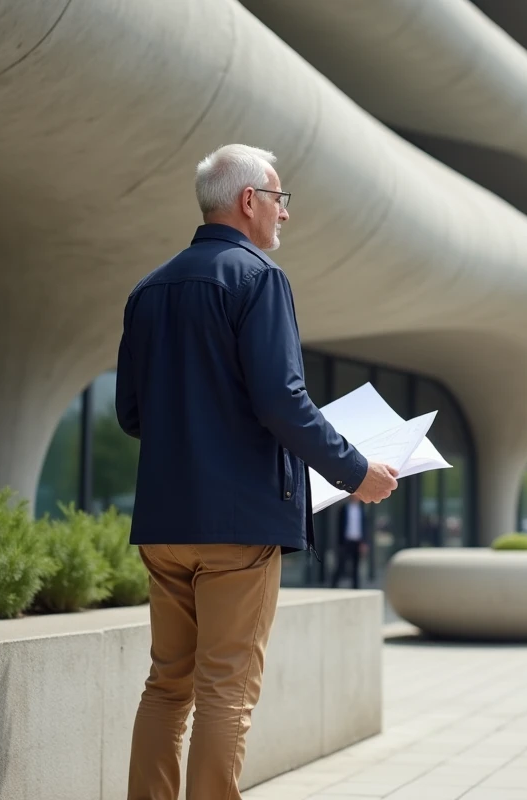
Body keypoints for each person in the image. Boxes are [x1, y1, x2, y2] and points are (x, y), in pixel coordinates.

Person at [116, 143, 400, 800]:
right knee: (225, 692)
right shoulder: (258, 279)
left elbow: (133, 414)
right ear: (249, 201)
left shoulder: (146, 291)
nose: (284, 216)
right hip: (237, 525)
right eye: (280, 200)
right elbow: (282, 400)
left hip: (164, 523)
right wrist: (357, 470)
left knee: (167, 686)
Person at [330, 498, 367, 589]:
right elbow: (339, 526)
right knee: (341, 564)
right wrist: (340, 542)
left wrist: (364, 542)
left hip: (357, 541)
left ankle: (356, 588)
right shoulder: (344, 508)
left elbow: (365, 527)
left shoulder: (362, 509)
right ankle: (333, 585)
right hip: (346, 541)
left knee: (356, 566)